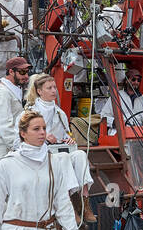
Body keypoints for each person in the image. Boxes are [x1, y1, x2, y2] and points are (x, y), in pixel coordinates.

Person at [27, 73, 95, 221]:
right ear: (39, 91)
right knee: (64, 158)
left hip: (57, 151)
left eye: (54, 87)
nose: (54, 91)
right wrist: (43, 136)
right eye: (49, 88)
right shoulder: (31, 111)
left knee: (80, 155)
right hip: (38, 154)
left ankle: (84, 201)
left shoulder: (59, 112)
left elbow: (65, 134)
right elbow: (22, 136)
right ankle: (69, 204)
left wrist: (69, 140)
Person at [0, 57, 32, 168]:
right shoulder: (1, 93)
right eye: (22, 72)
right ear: (11, 71)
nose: (26, 76)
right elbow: (4, 126)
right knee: (1, 185)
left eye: (27, 72)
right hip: (3, 151)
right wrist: (20, 147)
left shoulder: (12, 91)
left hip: (10, 150)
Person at [98, 66, 143, 135]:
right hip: (118, 132)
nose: (136, 82)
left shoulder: (142, 98)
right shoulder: (116, 96)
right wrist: (114, 122)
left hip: (139, 132)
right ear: (126, 81)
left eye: (138, 80)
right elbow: (104, 116)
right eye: (133, 79)